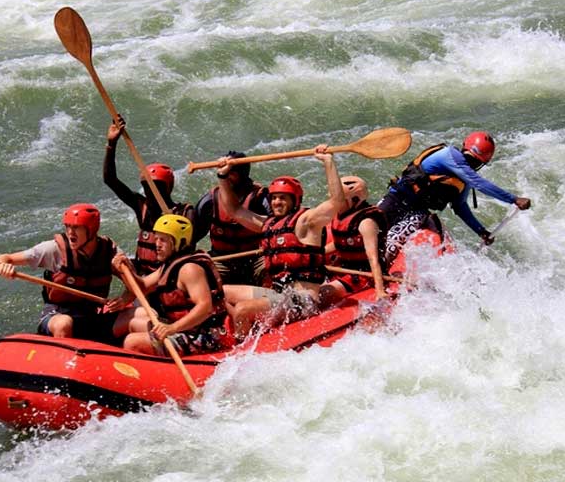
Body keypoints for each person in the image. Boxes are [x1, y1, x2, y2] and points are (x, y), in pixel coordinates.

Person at [216, 145, 345, 335]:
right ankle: (243, 326)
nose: (277, 202)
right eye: (274, 198)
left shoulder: (307, 222)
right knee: (222, 292)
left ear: (295, 201)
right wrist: (223, 177)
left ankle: (241, 349)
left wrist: (328, 162)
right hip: (279, 294)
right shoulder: (267, 224)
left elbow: (336, 202)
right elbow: (234, 210)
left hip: (303, 300)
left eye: (283, 198)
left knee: (243, 308)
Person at [378, 131, 531, 262]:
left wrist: (481, 231)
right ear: (464, 150)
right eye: (470, 159)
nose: (471, 165)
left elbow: (460, 206)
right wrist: (513, 199)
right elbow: (480, 183)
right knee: (372, 236)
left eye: (475, 162)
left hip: (418, 213)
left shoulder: (464, 179)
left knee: (391, 249)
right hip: (396, 200)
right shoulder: (449, 155)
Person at [0, 203, 125, 343]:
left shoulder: (110, 251)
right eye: (67, 226)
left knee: (140, 316)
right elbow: (6, 258)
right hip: (57, 315)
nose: (70, 233)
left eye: (76, 227)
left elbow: (136, 285)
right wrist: (1, 266)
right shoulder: (52, 250)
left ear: (91, 229)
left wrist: (125, 299)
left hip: (91, 317)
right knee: (64, 323)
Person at [114, 214, 235, 356]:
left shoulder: (189, 269)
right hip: (186, 329)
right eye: (157, 238)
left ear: (178, 242)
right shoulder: (170, 265)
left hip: (205, 336)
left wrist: (172, 328)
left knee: (132, 342)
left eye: (163, 240)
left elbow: (205, 307)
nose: (157, 244)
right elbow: (142, 288)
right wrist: (125, 270)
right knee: (133, 323)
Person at [104, 117, 194, 275]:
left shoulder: (184, 214)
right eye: (147, 187)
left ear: (168, 189)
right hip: (143, 274)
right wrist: (112, 144)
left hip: (168, 277)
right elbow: (110, 179)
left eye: (156, 187)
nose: (150, 191)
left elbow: (188, 248)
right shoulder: (141, 206)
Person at [192, 150, 270, 285]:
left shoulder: (261, 198)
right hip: (222, 259)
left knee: (271, 268)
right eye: (225, 174)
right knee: (200, 273)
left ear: (242, 175)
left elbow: (276, 229)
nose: (227, 178)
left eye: (231, 174)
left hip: (254, 258)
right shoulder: (210, 200)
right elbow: (193, 235)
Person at [319, 175, 390, 308]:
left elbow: (373, 258)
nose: (333, 202)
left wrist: (380, 290)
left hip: (363, 274)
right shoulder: (341, 216)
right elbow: (340, 243)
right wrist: (315, 254)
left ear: (354, 200)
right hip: (344, 267)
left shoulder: (366, 222)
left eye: (338, 199)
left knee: (322, 294)